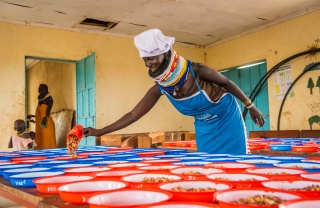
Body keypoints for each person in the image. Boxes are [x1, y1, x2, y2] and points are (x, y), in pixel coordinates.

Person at [83, 29, 265, 154]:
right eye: (145, 59)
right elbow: (133, 114)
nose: (148, 64)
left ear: (165, 52)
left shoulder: (196, 70)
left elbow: (226, 83)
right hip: (205, 128)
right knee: (209, 167)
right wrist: (100, 131)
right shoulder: (161, 88)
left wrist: (250, 106)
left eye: (152, 58)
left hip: (226, 118)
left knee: (236, 165)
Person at [27, 84, 57, 149]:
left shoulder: (49, 99)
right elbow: (41, 114)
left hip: (46, 124)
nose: (39, 90)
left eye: (42, 89)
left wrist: (43, 122)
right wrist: (33, 116)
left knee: (47, 141)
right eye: (39, 89)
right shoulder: (40, 101)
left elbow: (47, 114)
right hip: (41, 125)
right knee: (40, 140)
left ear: (46, 90)